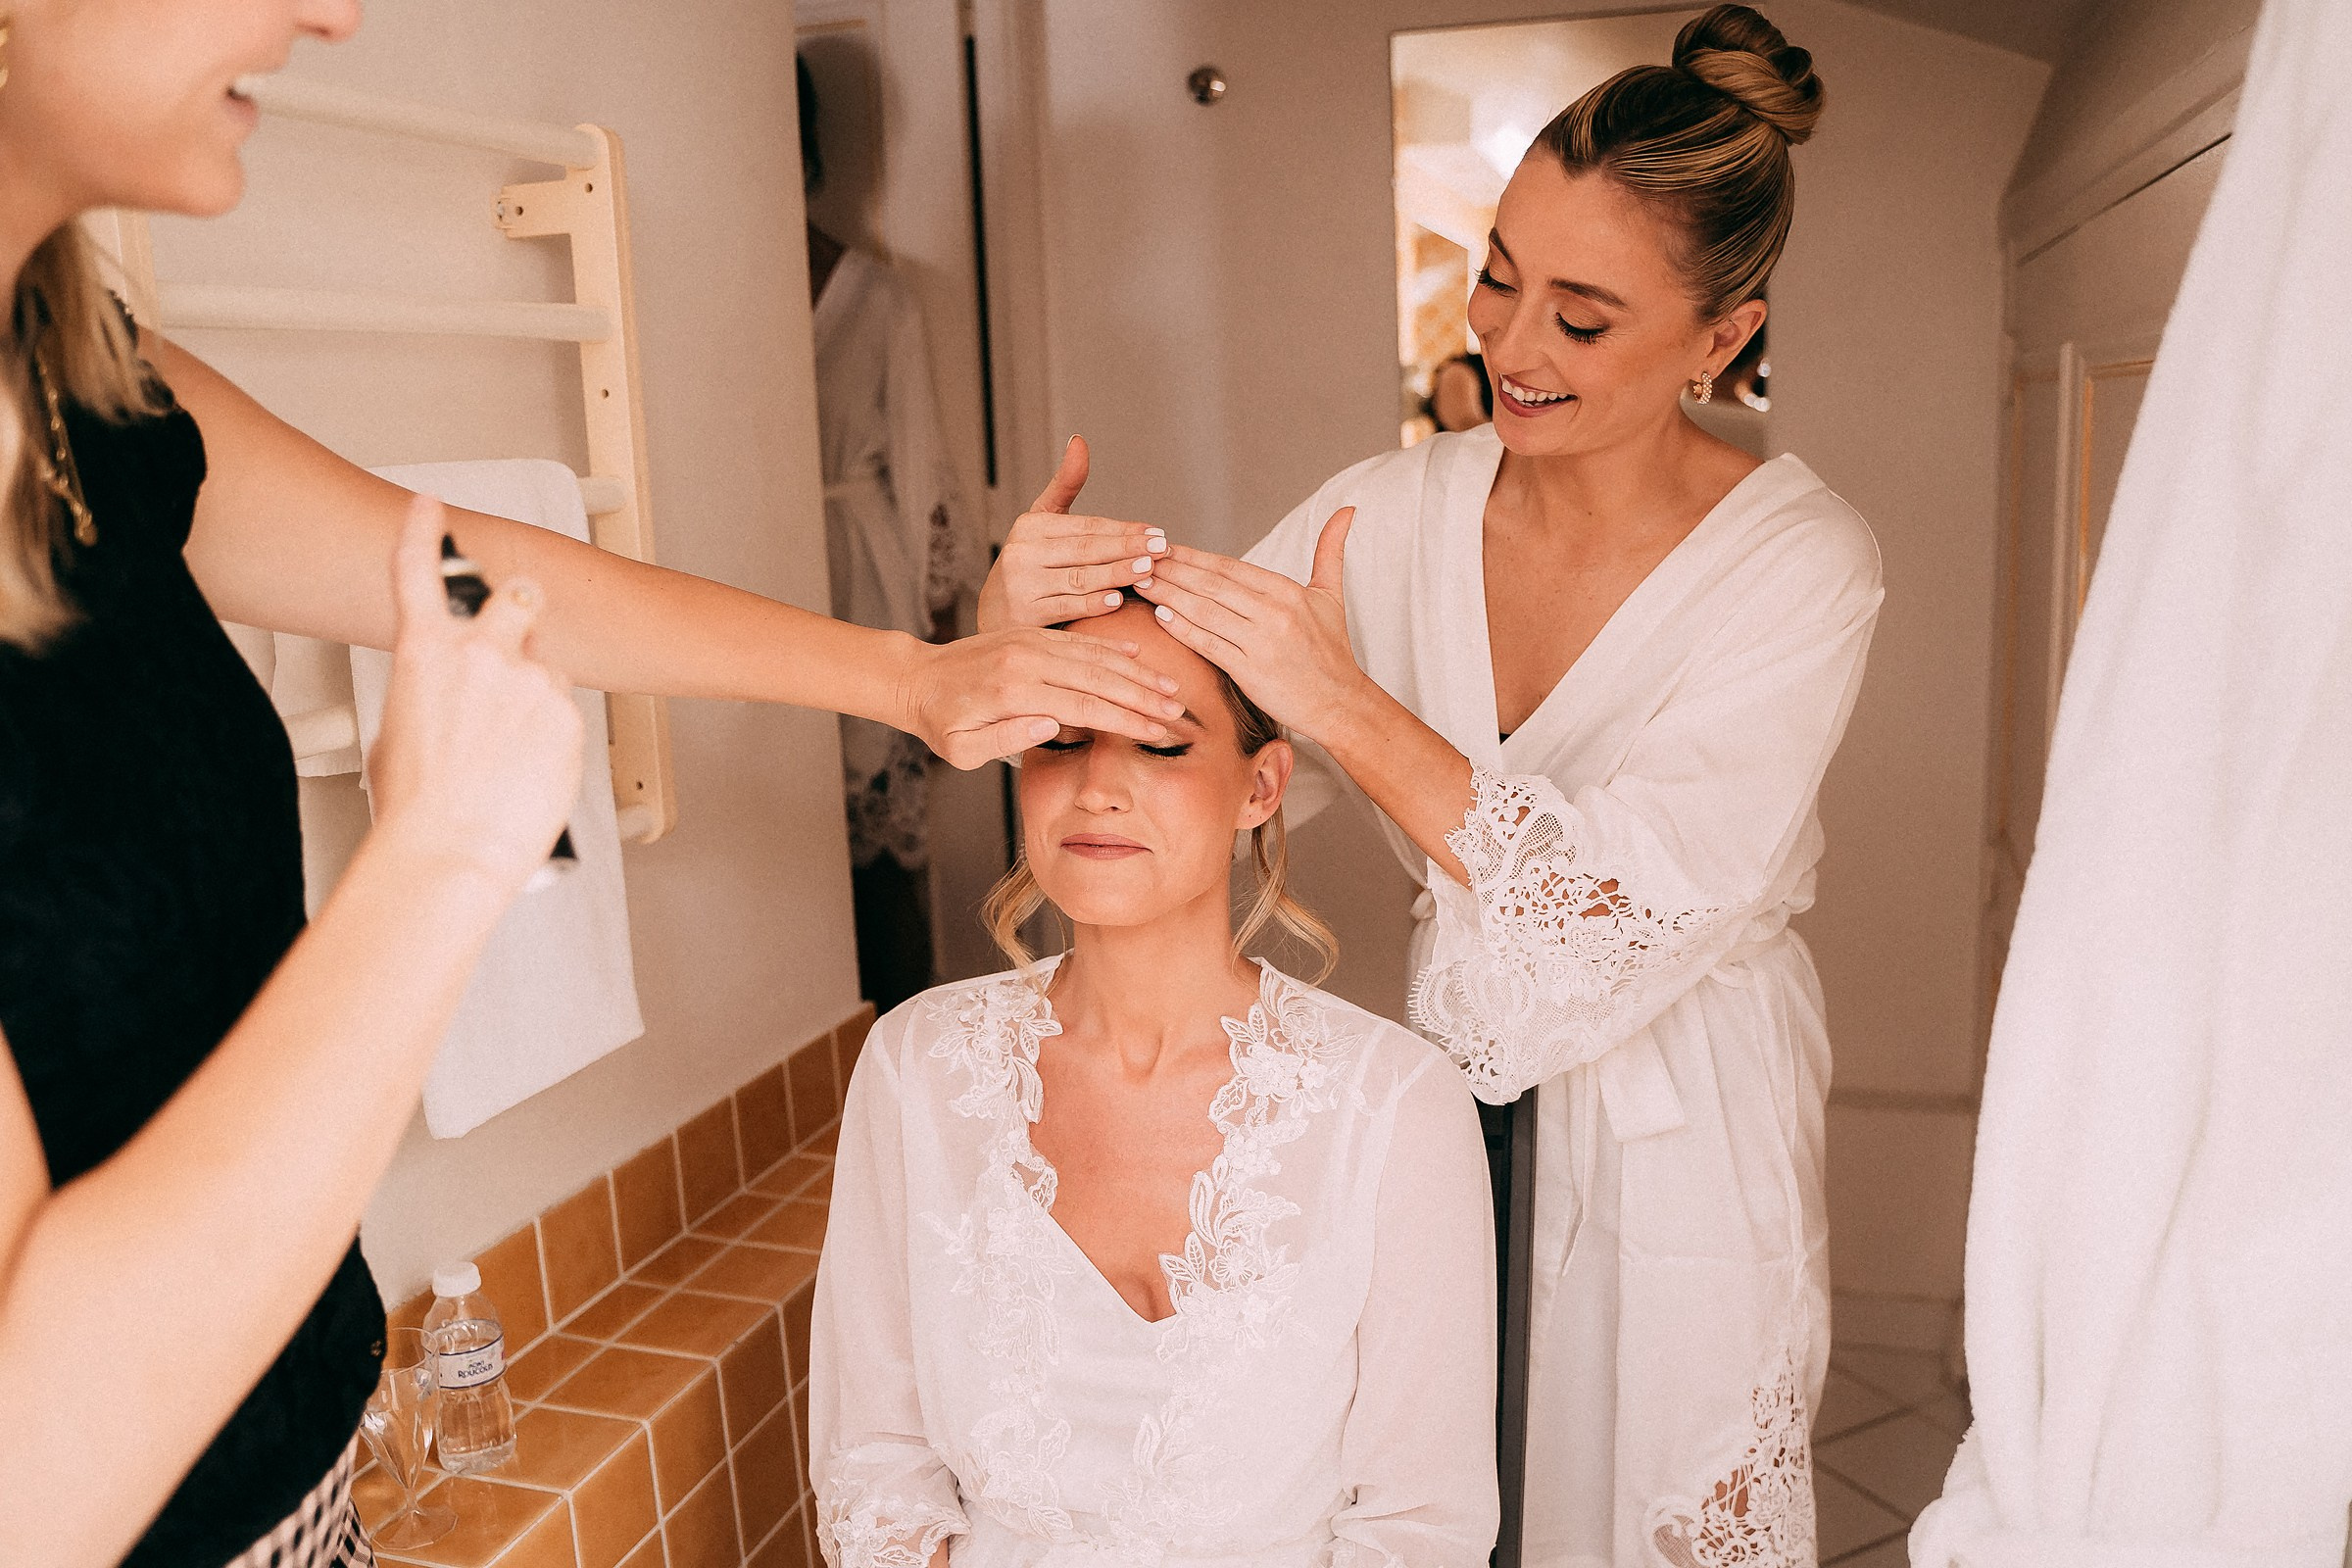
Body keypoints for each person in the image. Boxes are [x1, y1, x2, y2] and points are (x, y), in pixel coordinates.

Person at [0, 4, 1186, 1564]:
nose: (326, 11)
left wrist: (915, 678)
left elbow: (481, 573)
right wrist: (432, 863)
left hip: (296, 1499)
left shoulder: (90, 406)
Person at [979, 8, 1882, 1565]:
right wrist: (1020, 626)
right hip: (1446, 1095)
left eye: (1583, 320)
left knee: (1651, 1502)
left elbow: (1616, 918)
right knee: (1430, 1488)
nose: (1511, 348)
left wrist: (1345, 701)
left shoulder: (1803, 569)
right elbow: (1171, 713)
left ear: (1723, 336)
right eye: (1500, 277)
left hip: (1687, 1119)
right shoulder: (1385, 513)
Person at [808, 594, 1498, 1568]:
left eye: (1161, 746)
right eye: (1062, 739)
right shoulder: (917, 1066)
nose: (1096, 788)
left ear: (1261, 786)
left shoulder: (1394, 1107)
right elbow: (874, 1462)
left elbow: (1423, 1529)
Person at [799, 52, 992, 1009]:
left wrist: (938, 602)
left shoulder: (876, 298)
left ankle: (905, 1030)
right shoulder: (711, 298)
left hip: (863, 565)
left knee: (879, 851)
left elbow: (923, 461)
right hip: (765, 570)